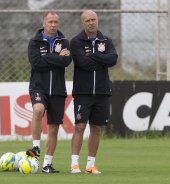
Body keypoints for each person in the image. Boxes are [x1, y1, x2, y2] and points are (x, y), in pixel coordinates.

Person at [70, 10, 118, 174]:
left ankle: (90, 165)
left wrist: (94, 56)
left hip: (102, 92)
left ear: (97, 21)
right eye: (88, 20)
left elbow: (113, 60)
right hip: (83, 92)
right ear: (83, 23)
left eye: (94, 19)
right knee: (80, 127)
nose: (91, 23)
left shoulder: (106, 40)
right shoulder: (76, 42)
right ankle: (74, 163)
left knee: (96, 129)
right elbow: (83, 63)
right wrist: (101, 59)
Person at [26, 11, 72, 173]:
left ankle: (47, 164)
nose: (53, 25)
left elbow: (66, 61)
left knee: (53, 128)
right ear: (44, 23)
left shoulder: (65, 41)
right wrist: (57, 57)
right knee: (38, 109)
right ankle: (36, 147)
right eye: (50, 22)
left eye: (55, 22)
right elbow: (37, 64)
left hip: (58, 90)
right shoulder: (34, 42)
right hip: (39, 87)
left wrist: (51, 58)